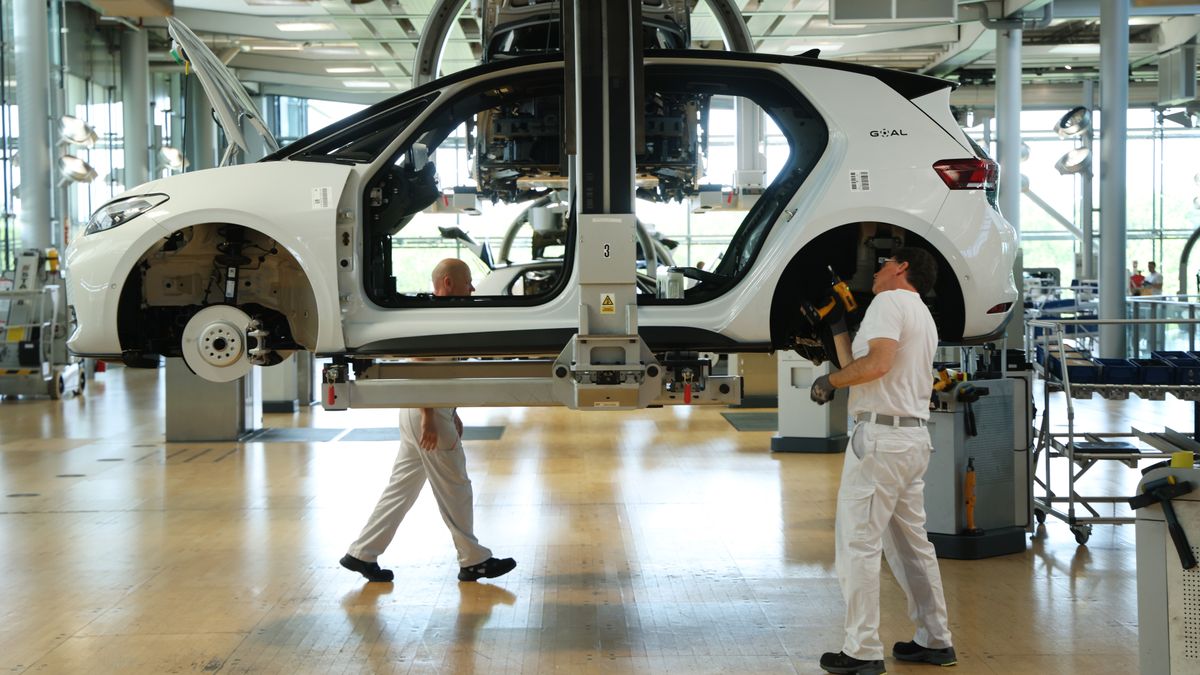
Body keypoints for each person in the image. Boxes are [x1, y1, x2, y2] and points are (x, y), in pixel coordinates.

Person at [809, 247, 955, 675]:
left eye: (884, 263)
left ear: (902, 268)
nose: (875, 270)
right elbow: (865, 363)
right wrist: (837, 326)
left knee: (858, 544)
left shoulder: (889, 302)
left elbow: (877, 365)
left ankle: (862, 650)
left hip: (881, 442)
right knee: (912, 547)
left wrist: (829, 381)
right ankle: (936, 639)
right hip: (909, 441)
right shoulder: (920, 312)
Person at [340, 258, 516, 584]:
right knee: (456, 487)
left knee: (400, 491)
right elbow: (418, 365)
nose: (472, 288)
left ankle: (362, 553)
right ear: (448, 283)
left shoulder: (440, 315)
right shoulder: (433, 316)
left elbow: (444, 368)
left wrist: (453, 410)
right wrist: (430, 418)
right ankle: (473, 560)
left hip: (428, 410)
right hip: (426, 412)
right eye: (467, 282)